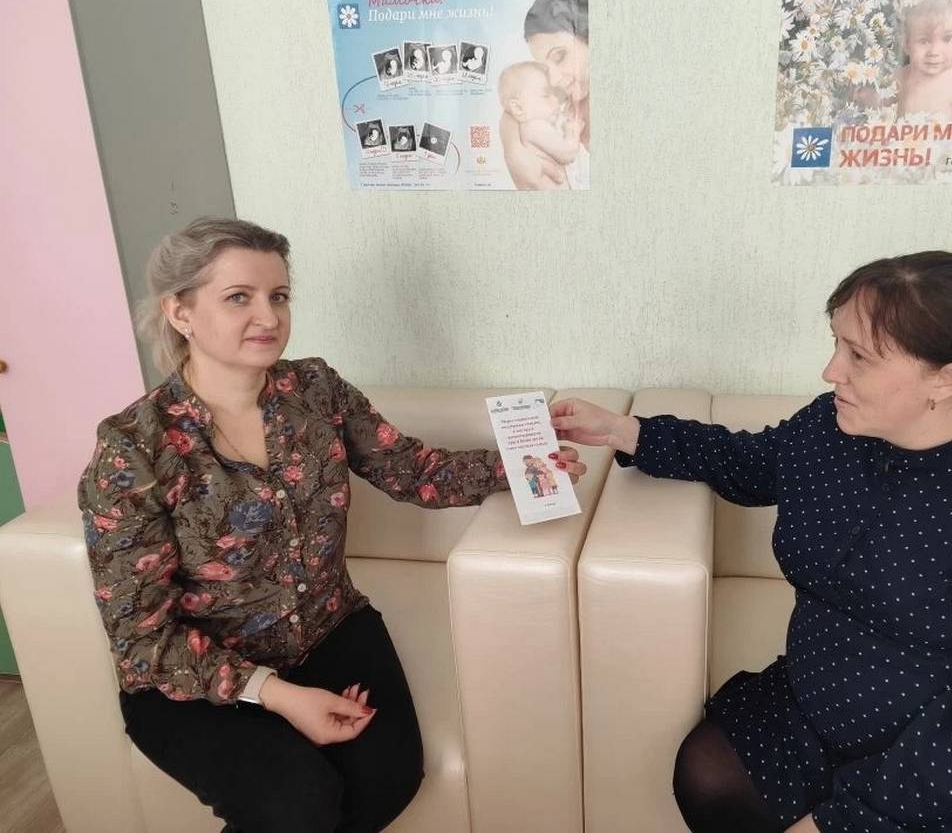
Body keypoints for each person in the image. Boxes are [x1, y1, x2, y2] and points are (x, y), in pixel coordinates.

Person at [550, 251, 952, 833]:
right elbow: (752, 462)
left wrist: (838, 823)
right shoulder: (834, 428)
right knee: (709, 776)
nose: (830, 371)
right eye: (836, 343)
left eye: (859, 356)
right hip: (827, 698)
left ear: (945, 379)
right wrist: (623, 431)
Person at [79, 217, 586, 832]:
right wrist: (280, 696)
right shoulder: (134, 447)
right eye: (238, 297)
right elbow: (140, 639)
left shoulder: (315, 389)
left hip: (331, 628)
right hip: (195, 674)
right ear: (180, 312)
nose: (268, 317)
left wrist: (523, 465)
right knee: (297, 803)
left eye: (279, 295)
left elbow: (412, 471)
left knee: (389, 780)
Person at [503, 0, 591, 189]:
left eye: (559, 56)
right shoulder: (563, 105)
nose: (553, 80)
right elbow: (514, 106)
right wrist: (511, 145)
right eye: (544, 69)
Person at [498, 61, 581, 190]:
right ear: (518, 108)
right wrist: (573, 132)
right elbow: (568, 154)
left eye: (554, 94)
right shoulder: (534, 126)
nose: (555, 99)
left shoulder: (529, 128)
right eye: (545, 95)